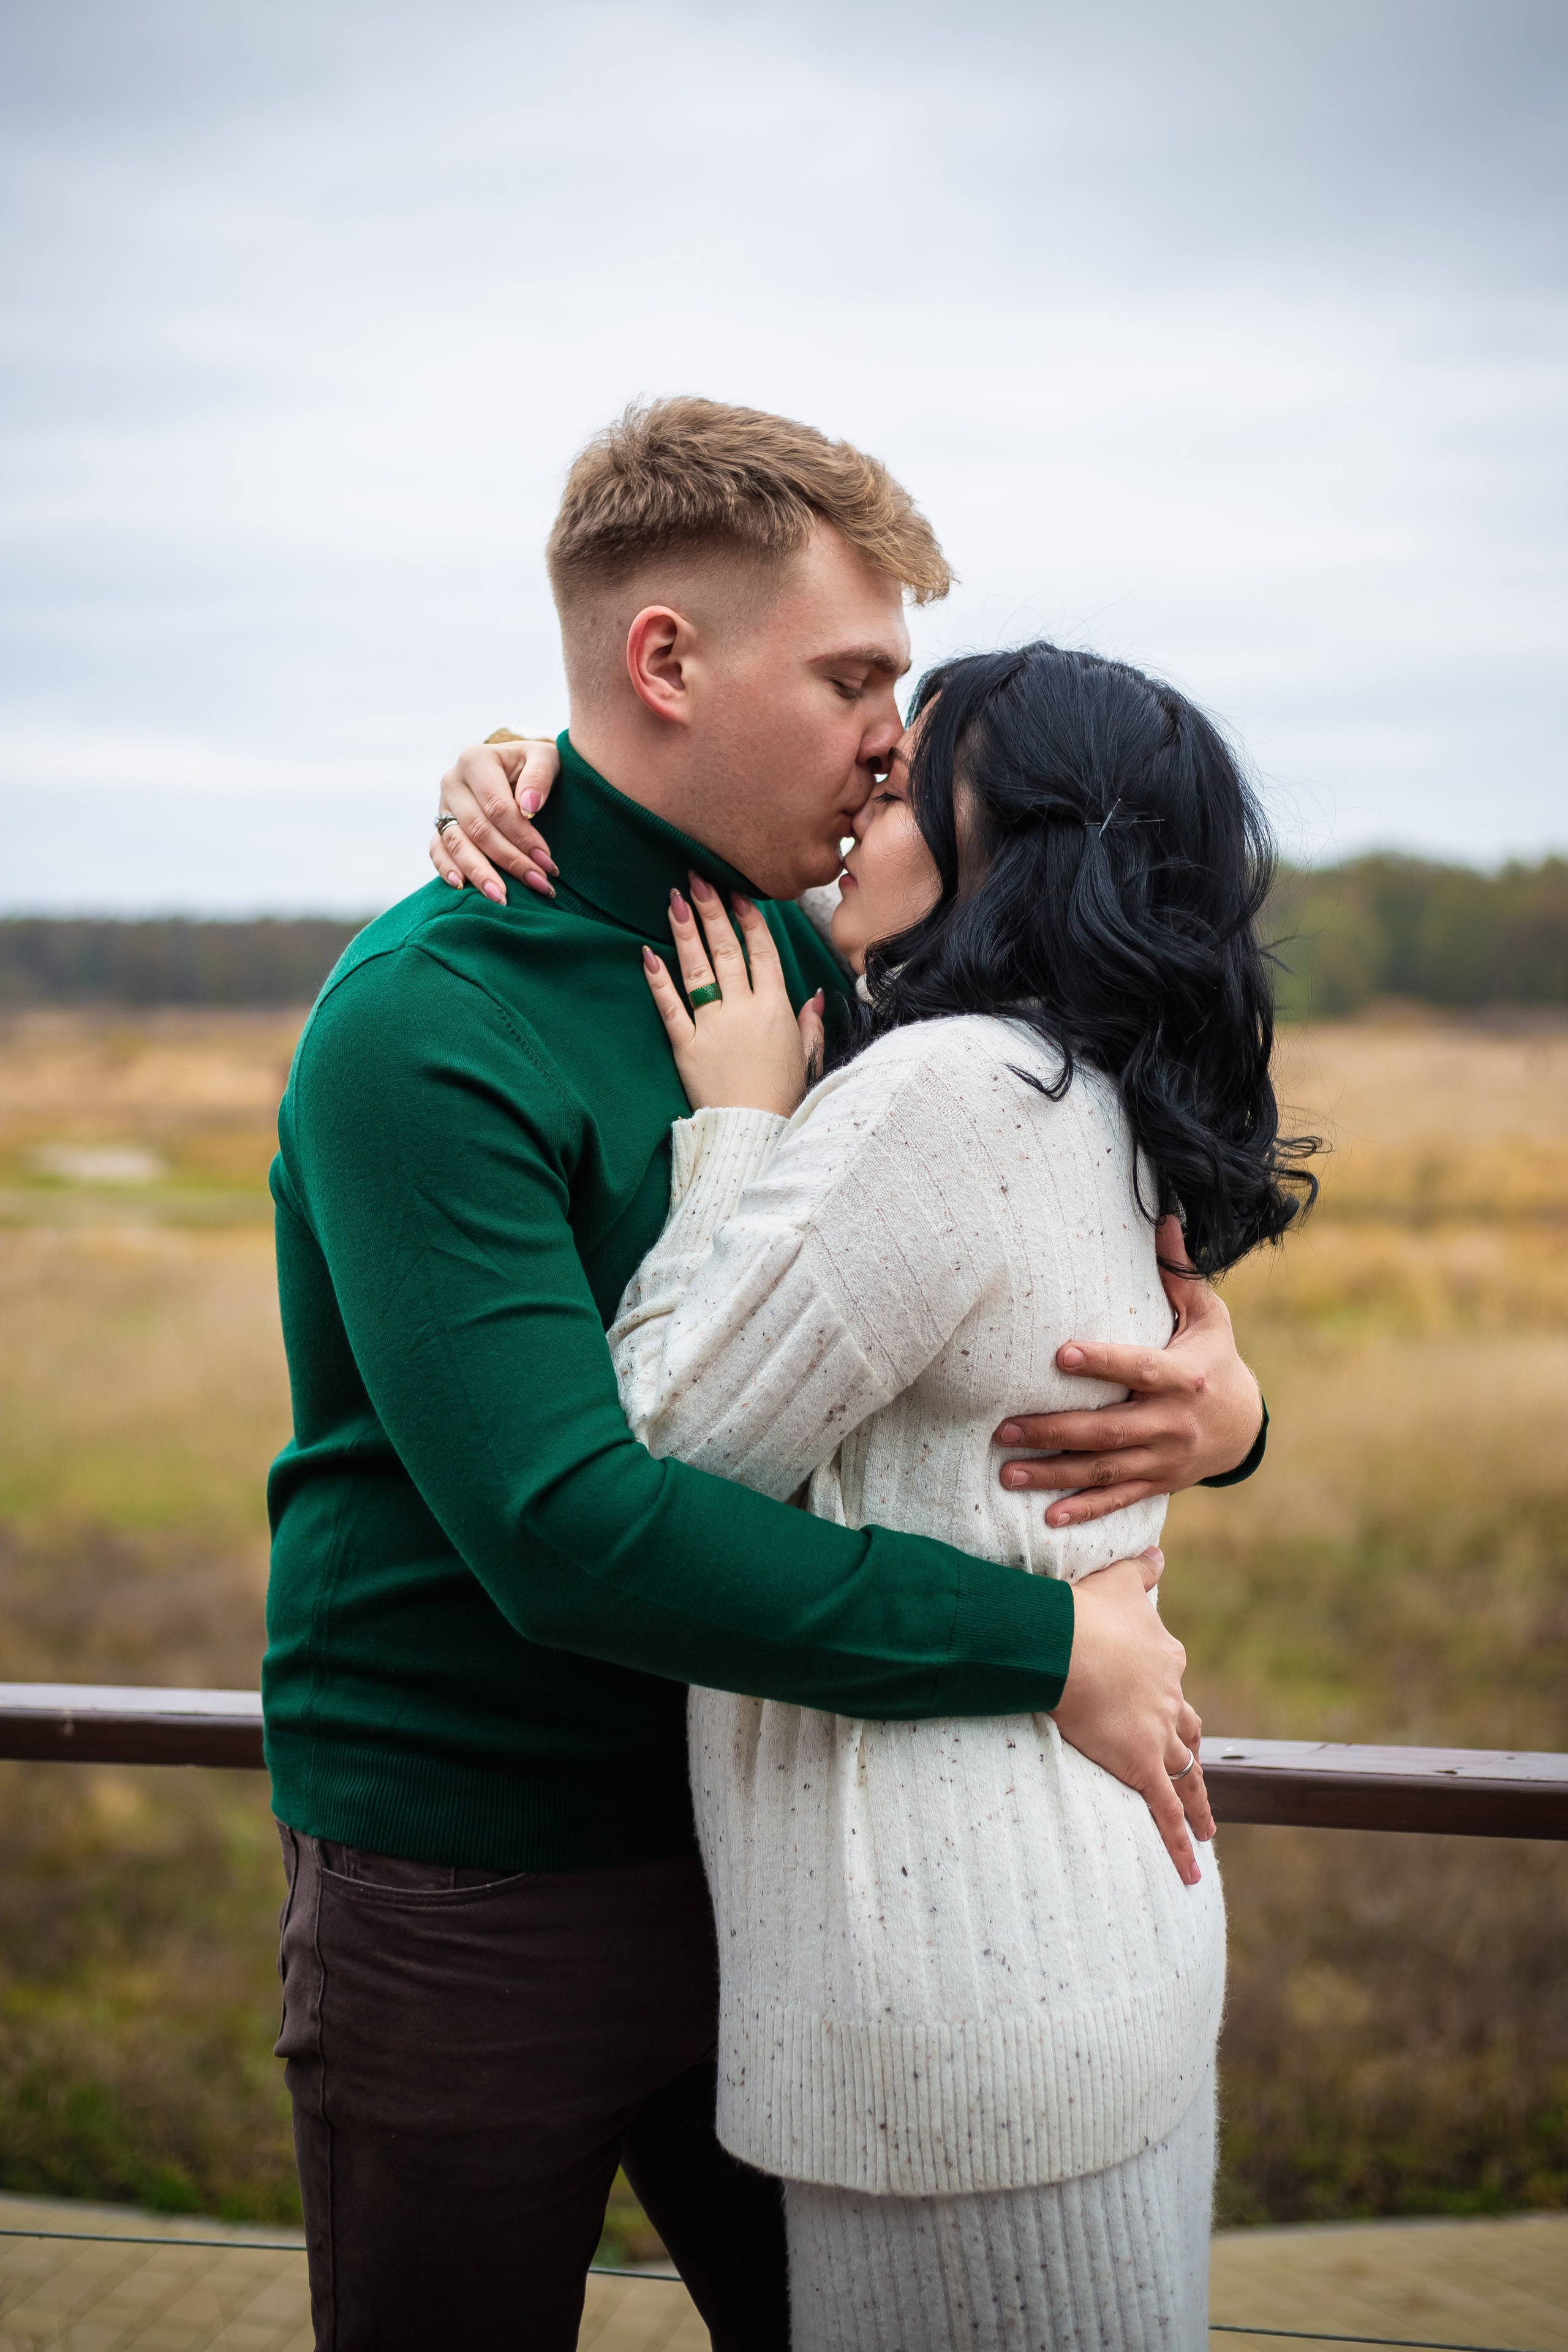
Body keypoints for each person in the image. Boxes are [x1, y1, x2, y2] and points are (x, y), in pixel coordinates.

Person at [265, 398, 1265, 2351]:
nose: (899, 738)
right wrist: (1044, 1644)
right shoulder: (425, 1022)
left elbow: (1013, 1232)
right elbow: (570, 1535)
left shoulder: (825, 972)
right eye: (856, 677)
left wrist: (1226, 1414)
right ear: (665, 662)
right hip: (478, 1883)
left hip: (794, 1870)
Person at [601, 641, 1315, 2350]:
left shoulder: (942, 1092)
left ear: (1022, 834)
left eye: (912, 772)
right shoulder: (1091, 1081)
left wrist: (735, 1132)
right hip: (1089, 1944)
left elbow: (648, 1457)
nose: (866, 794)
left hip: (949, 2014)